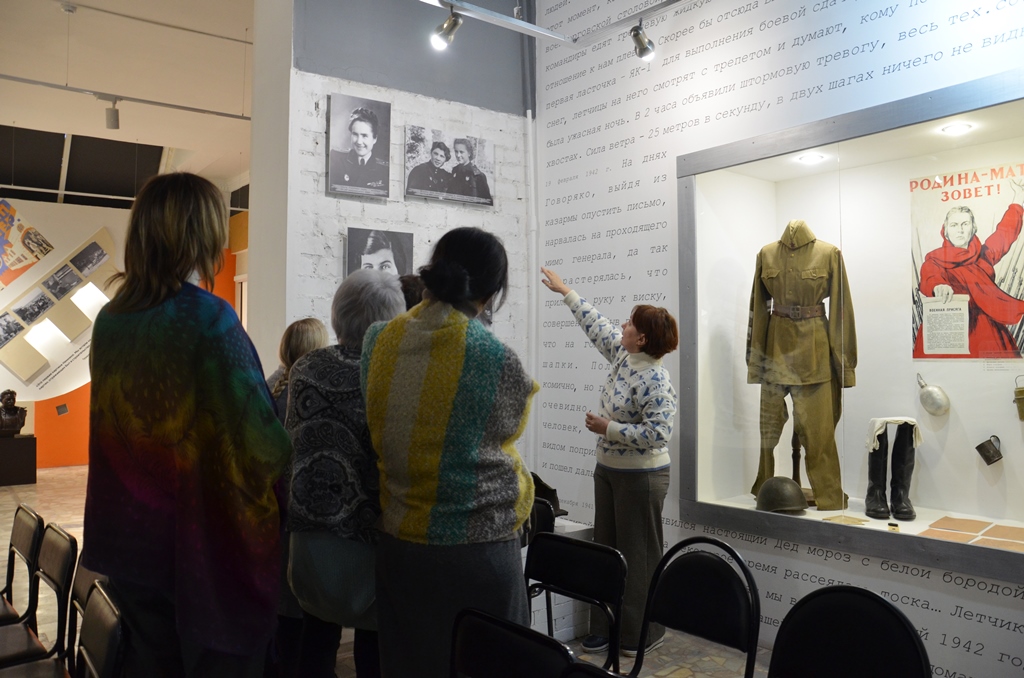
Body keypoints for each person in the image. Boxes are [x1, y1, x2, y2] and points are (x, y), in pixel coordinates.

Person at [83, 172, 291, 677]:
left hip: (128, 537)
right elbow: (260, 443)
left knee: (149, 661)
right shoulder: (209, 320)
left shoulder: (112, 320)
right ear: (202, 235)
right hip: (197, 547)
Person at [362, 227, 537, 678]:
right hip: (478, 551)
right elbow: (506, 437)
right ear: (492, 292)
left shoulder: (377, 341)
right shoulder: (497, 358)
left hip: (400, 547)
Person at [541, 267, 678, 658]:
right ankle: (603, 626)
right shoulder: (623, 354)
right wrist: (566, 292)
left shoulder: (656, 380)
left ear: (642, 338)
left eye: (630, 324)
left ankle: (640, 633)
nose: (622, 326)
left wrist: (609, 428)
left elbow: (658, 434)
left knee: (639, 556)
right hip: (609, 472)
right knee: (607, 549)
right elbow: (596, 324)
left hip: (642, 478)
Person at [286, 270, 405, 678]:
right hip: (370, 543)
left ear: (338, 314)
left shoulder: (305, 367)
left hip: (310, 544)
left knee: (315, 643)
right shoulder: (392, 374)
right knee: (375, 650)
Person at [746, 220, 856, 511]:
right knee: (768, 433)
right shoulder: (766, 254)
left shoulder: (829, 253)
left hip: (815, 356)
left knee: (821, 435)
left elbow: (842, 310)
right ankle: (766, 492)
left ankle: (829, 497)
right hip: (776, 352)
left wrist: (845, 366)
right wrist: (756, 362)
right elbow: (759, 309)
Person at [264, 318, 328, 678]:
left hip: (270, 510)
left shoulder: (269, 386)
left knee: (281, 604)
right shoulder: (310, 393)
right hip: (299, 509)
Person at [914, 179, 1024, 358]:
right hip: (949, 332)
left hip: (987, 332)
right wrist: (938, 287)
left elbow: (1004, 235)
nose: (960, 230)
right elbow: (930, 277)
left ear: (973, 228)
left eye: (965, 224)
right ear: (946, 231)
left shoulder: (983, 255)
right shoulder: (934, 260)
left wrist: (1018, 198)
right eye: (954, 225)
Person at [329, 108, 389, 194]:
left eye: (364, 136)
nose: (359, 142)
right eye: (355, 134)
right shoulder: (335, 159)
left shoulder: (384, 170)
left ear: (375, 139)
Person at [447, 138, 492, 203]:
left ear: (469, 153)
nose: (458, 155)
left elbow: (487, 201)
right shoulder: (455, 170)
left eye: (461, 152)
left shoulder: (478, 175)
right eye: (456, 151)